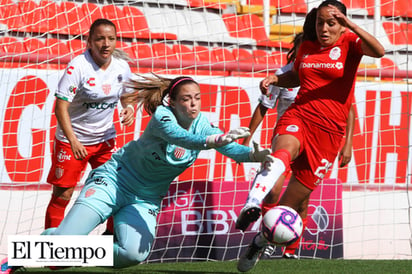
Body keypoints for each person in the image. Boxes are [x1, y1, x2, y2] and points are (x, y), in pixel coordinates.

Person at [33, 75, 270, 270]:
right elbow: (181, 138)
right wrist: (212, 140)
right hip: (114, 181)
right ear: (172, 102)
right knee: (59, 254)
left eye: (197, 98)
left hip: (145, 198)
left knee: (133, 255)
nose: (194, 104)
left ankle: (71, 247)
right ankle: (33, 250)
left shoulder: (204, 124)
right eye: (186, 99)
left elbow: (229, 147)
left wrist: (253, 156)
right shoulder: (162, 117)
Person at [236, 0, 384, 271]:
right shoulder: (306, 46)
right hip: (299, 115)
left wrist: (350, 24)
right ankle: (252, 202)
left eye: (332, 23)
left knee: (289, 206)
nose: (324, 28)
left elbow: (380, 51)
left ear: (341, 24)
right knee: (282, 152)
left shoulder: (350, 43)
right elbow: (297, 77)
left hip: (328, 134)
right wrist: (276, 80)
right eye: (320, 22)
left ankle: (258, 242)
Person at [241, 31, 356, 259]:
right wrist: (247, 136)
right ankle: (264, 225)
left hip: (317, 141)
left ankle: (290, 250)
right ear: (299, 50)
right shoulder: (284, 75)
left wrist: (348, 143)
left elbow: (349, 108)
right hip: (289, 134)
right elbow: (264, 106)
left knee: (301, 198)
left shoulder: (327, 74)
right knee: (273, 187)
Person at [43, 18, 135, 234]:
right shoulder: (78, 66)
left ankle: (112, 239)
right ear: (89, 42)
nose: (106, 44)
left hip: (105, 140)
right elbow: (60, 108)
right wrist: (73, 140)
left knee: (115, 189)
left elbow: (128, 97)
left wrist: (129, 109)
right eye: (100, 39)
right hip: (72, 141)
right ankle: (50, 248)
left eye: (111, 39)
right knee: (63, 194)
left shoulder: (122, 67)